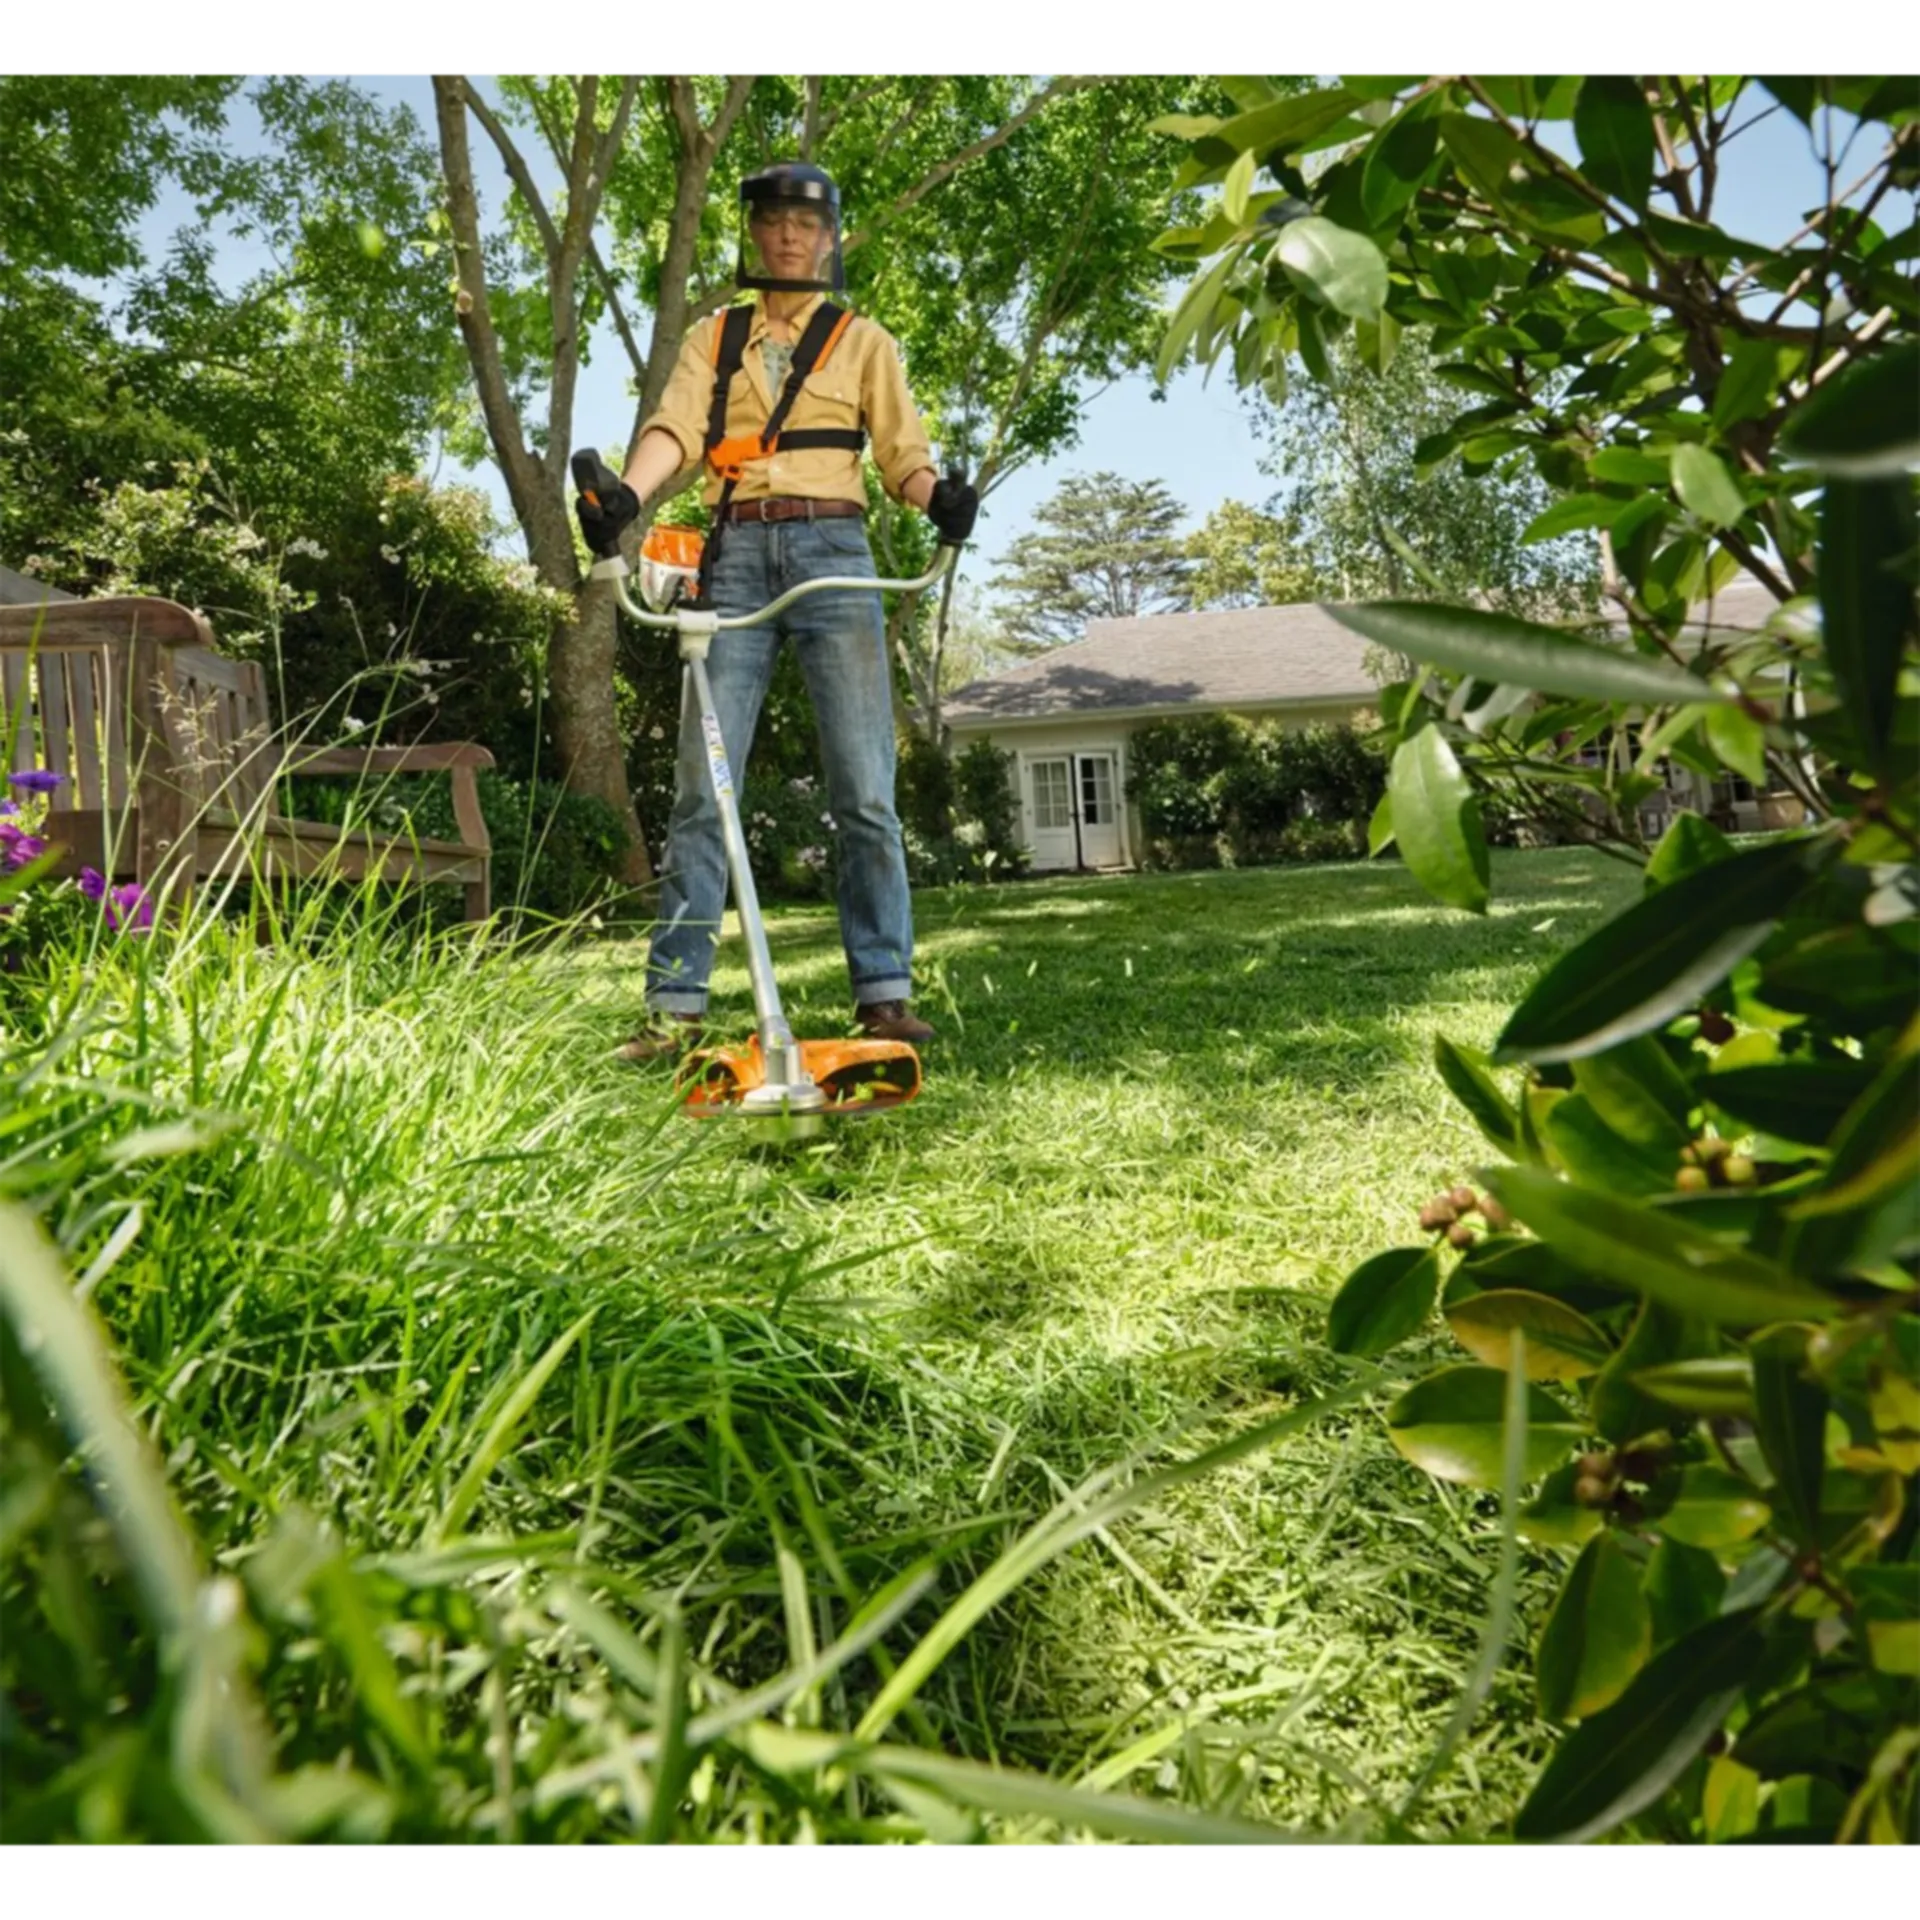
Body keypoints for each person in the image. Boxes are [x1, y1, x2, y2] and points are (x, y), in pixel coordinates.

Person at [577, 160, 976, 1061]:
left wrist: (937, 500)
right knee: (699, 787)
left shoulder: (865, 341)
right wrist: (626, 500)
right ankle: (674, 1008)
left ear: (830, 236)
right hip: (737, 553)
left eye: (806, 221)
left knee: (865, 787)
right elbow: (673, 434)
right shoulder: (713, 340)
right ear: (753, 232)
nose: (789, 235)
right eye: (773, 220)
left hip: (836, 554)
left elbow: (902, 458)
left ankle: (883, 994)